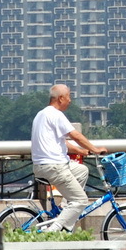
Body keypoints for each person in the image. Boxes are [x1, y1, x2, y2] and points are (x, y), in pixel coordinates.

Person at [30, 84, 107, 232]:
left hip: (42, 166)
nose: (70, 100)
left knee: (82, 170)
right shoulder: (56, 114)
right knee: (81, 200)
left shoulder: (41, 114)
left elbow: (61, 142)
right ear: (60, 98)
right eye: (69, 96)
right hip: (55, 166)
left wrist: (81, 151)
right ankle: (55, 230)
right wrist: (95, 150)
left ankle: (65, 208)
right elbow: (75, 135)